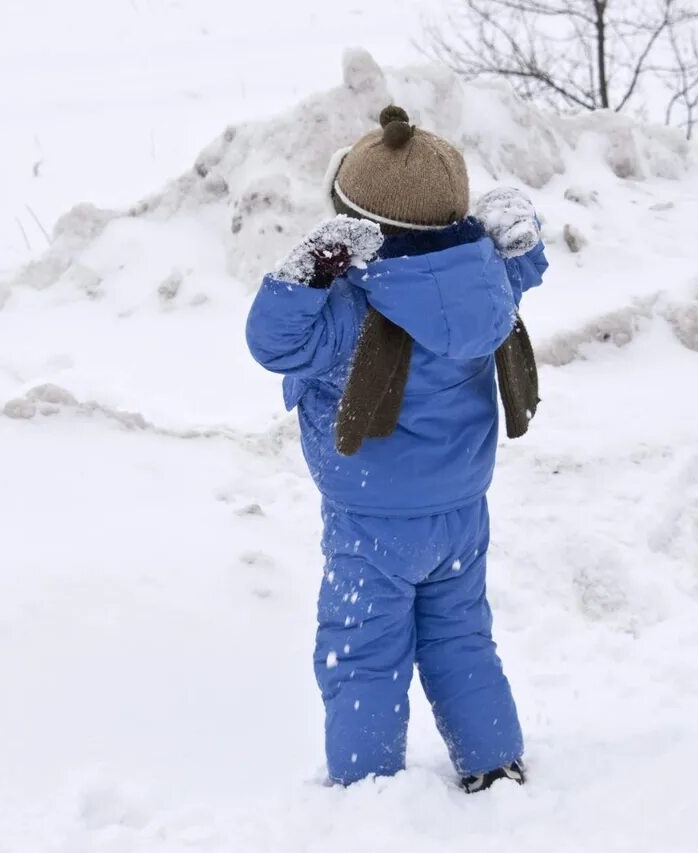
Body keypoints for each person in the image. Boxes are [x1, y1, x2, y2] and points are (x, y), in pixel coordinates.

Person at [244, 106, 548, 791]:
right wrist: (521, 234)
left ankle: (369, 791)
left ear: (358, 228)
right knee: (461, 638)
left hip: (370, 528)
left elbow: (273, 343)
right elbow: (528, 263)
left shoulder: (350, 310)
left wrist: (306, 276)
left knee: (363, 654)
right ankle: (494, 763)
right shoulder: (487, 282)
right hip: (462, 516)